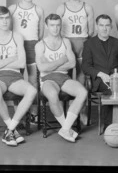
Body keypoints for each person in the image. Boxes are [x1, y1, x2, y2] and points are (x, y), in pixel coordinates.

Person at [0, 6, 37, 146]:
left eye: (7, 18)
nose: (5, 21)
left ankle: (10, 129)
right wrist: (10, 59)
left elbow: (21, 63)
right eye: (1, 18)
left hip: (15, 77)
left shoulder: (17, 36)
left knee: (32, 91)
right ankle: (12, 129)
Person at [82, 14, 118, 136]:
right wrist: (100, 74)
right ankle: (108, 127)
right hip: (100, 80)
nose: (104, 28)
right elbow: (85, 66)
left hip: (117, 78)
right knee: (109, 90)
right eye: (101, 25)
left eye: (107, 25)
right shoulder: (89, 44)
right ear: (97, 27)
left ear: (111, 27)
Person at [35, 14, 88, 143]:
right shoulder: (40, 45)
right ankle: (66, 128)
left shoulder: (66, 42)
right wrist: (62, 59)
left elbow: (73, 64)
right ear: (46, 26)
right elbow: (42, 68)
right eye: (52, 25)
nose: (55, 28)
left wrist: (51, 64)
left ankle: (65, 129)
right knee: (52, 94)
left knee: (83, 92)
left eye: (58, 25)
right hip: (47, 79)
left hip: (64, 77)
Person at [56, 0, 94, 125]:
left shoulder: (87, 8)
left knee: (81, 79)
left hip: (82, 43)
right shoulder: (62, 8)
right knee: (65, 78)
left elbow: (91, 31)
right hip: (67, 44)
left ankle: (81, 111)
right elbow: (56, 30)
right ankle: (66, 112)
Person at [8, 0, 44, 122]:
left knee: (33, 80)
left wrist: (35, 45)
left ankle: (34, 113)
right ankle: (20, 114)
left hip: (32, 45)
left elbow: (40, 33)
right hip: (17, 45)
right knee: (17, 80)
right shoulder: (12, 9)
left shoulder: (38, 10)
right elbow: (7, 30)